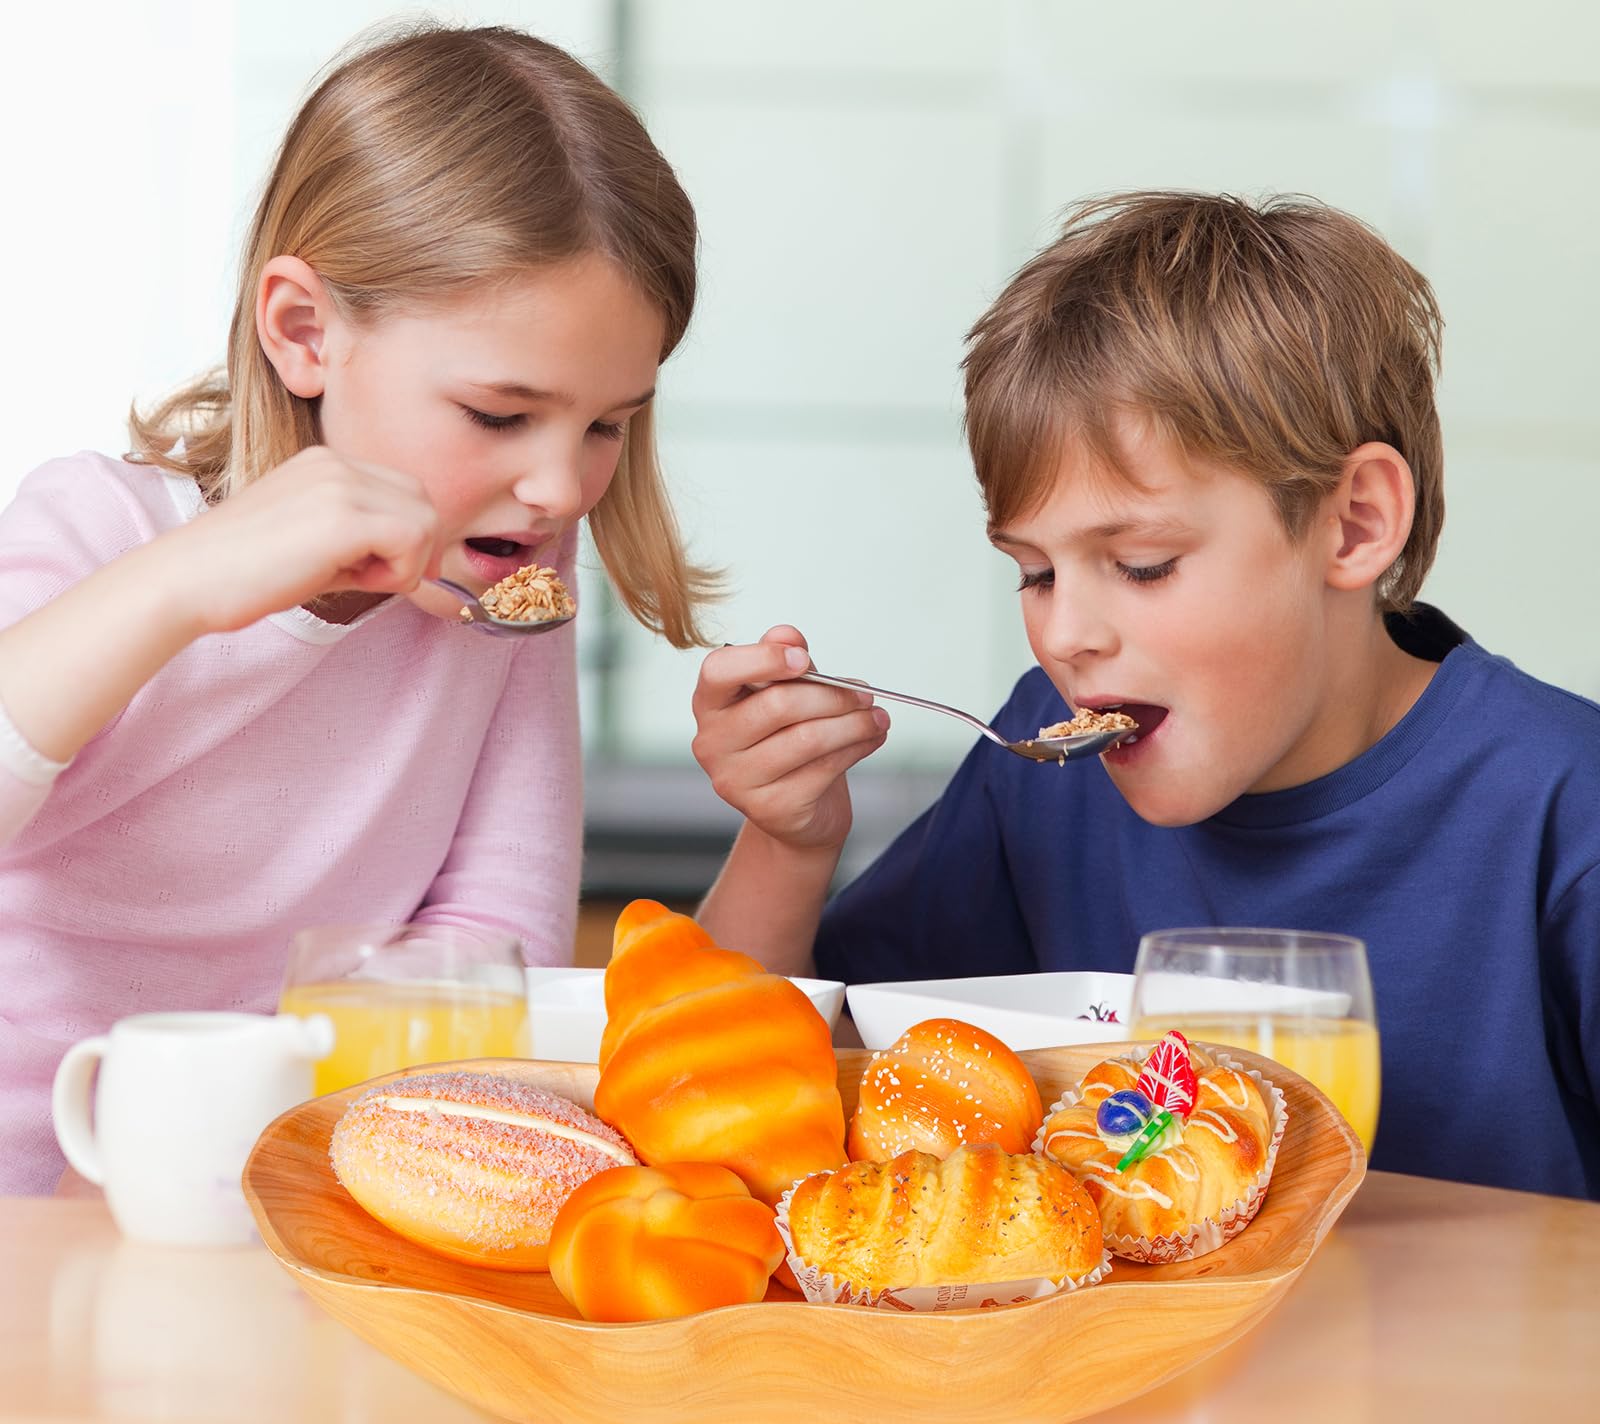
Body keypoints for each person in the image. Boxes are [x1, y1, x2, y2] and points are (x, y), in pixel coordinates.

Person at [691, 189, 1600, 1205]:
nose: (1066, 631)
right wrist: (786, 841)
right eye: (1034, 572)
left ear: (1352, 525)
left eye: (1141, 563)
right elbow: (752, 1091)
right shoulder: (1041, 773)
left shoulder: (1565, 810)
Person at [0, 22, 715, 1194]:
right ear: (303, 331)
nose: (554, 485)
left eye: (606, 424)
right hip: (29, 1210)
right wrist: (181, 589)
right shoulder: (101, 535)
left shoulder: (507, 579)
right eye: (497, 413)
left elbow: (492, 942)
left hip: (313, 1197)